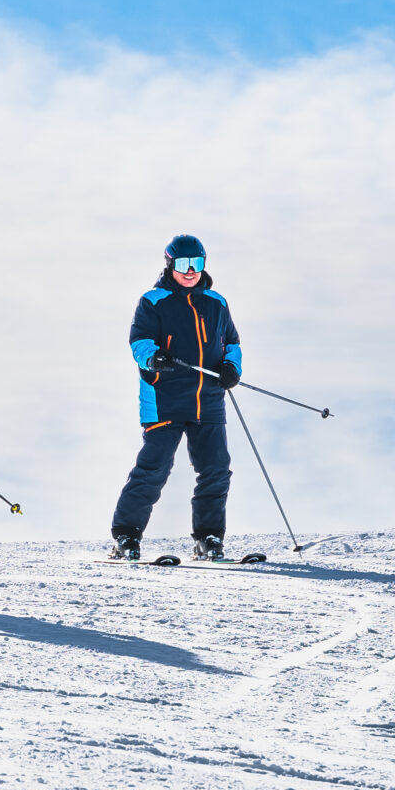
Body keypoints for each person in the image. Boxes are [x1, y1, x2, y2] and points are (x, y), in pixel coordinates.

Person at [111, 234, 240, 562]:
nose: (191, 271)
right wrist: (154, 357)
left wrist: (230, 367)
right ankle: (126, 535)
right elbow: (139, 340)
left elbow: (232, 343)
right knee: (155, 466)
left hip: (208, 398)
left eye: (197, 264)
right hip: (164, 396)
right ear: (170, 265)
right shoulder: (153, 301)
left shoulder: (217, 303)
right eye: (184, 265)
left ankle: (208, 538)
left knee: (216, 468)